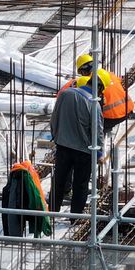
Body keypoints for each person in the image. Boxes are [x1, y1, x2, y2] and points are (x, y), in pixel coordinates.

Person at [50, 78, 103, 217]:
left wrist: (56, 137)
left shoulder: (65, 94)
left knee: (59, 179)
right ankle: (76, 217)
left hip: (63, 146)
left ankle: (52, 212)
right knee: (80, 185)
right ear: (100, 88)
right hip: (84, 152)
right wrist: (99, 153)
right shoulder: (94, 103)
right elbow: (97, 130)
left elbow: (54, 117)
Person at [76, 67, 133, 134]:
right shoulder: (110, 75)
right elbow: (119, 81)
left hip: (111, 117)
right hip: (129, 108)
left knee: (89, 126)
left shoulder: (91, 84)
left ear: (83, 72)